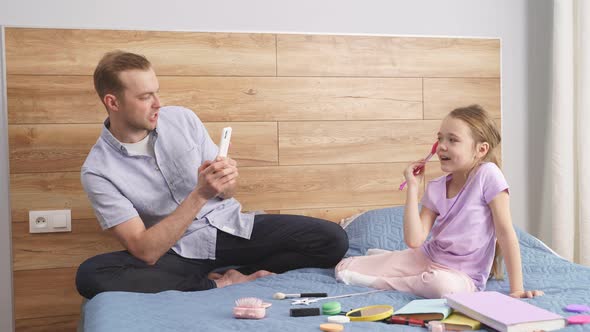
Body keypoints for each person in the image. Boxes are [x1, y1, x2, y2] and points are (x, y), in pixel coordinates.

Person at [75, 51, 348, 299]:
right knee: (90, 275)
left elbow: (228, 193)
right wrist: (200, 194)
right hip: (178, 251)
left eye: (156, 92)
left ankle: (241, 273)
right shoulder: (98, 171)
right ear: (113, 102)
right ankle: (214, 284)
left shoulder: (182, 119)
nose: (158, 103)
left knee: (333, 240)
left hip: (231, 228)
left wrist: (225, 181)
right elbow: (145, 251)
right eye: (145, 97)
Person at [335, 105, 543, 299]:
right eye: (440, 138)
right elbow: (415, 241)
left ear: (480, 150)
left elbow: (505, 234)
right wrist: (413, 188)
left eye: (452, 140)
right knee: (343, 268)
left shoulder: (488, 175)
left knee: (441, 286)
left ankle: (380, 282)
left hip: (463, 277)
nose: (442, 146)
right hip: (427, 258)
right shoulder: (435, 187)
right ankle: (395, 262)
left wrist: (517, 290)